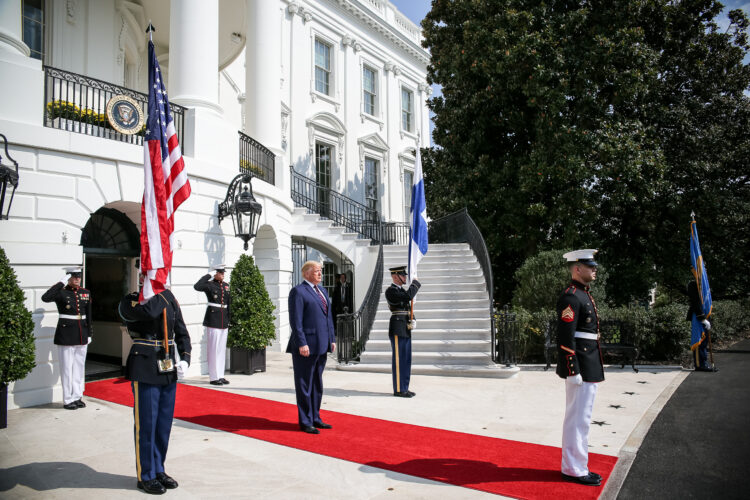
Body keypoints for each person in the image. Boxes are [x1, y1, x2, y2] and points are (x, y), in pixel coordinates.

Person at [119, 272, 192, 495]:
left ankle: (159, 468)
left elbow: (182, 332)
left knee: (163, 424)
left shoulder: (170, 298)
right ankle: (146, 474)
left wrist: (186, 359)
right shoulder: (131, 300)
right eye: (150, 273)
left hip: (167, 367)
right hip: (145, 365)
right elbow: (147, 314)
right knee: (147, 424)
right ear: (142, 276)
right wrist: (160, 293)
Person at [556, 249, 604, 487]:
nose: (594, 269)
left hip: (589, 363)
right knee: (577, 419)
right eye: (590, 266)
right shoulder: (571, 297)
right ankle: (573, 469)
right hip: (581, 367)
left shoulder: (583, 294)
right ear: (577, 268)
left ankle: (578, 465)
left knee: (582, 419)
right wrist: (572, 369)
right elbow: (565, 337)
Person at [286, 261, 336, 434]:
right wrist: (302, 343)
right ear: (306, 273)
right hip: (306, 346)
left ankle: (316, 417)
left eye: (320, 271)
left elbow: (328, 317)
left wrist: (332, 338)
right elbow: (296, 321)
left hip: (322, 344)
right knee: (304, 384)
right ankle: (305, 421)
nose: (320, 274)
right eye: (317, 271)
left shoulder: (322, 291)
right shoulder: (298, 292)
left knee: (317, 383)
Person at [42, 266, 92, 410]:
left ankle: (77, 396)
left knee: (79, 367)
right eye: (73, 276)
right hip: (66, 334)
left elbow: (88, 315)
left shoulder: (85, 292)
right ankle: (68, 399)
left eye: (79, 276)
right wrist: (61, 282)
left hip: (82, 333)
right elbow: (46, 298)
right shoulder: (61, 293)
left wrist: (89, 333)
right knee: (66, 368)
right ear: (68, 277)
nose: (77, 279)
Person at [385, 265, 421, 398]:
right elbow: (407, 297)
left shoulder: (401, 291)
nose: (405, 277)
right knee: (399, 360)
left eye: (406, 275)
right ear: (395, 277)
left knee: (406, 359)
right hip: (397, 327)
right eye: (403, 275)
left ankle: (404, 387)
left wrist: (413, 318)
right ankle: (399, 389)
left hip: (405, 326)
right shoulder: (391, 291)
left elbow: (407, 305)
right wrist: (415, 283)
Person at [194, 264, 231, 385]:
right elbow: (197, 286)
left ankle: (220, 375)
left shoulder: (226, 286)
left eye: (223, 272)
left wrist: (229, 319)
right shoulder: (209, 284)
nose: (223, 274)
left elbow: (229, 303)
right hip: (213, 319)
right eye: (220, 272)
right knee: (213, 349)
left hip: (223, 319)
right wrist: (209, 274)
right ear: (215, 273)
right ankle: (214, 377)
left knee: (221, 349)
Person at [686, 279, 716, 372]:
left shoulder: (704, 283)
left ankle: (704, 362)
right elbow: (695, 302)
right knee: (699, 340)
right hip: (698, 316)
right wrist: (702, 318)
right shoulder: (693, 284)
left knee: (704, 341)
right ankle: (700, 364)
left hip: (705, 314)